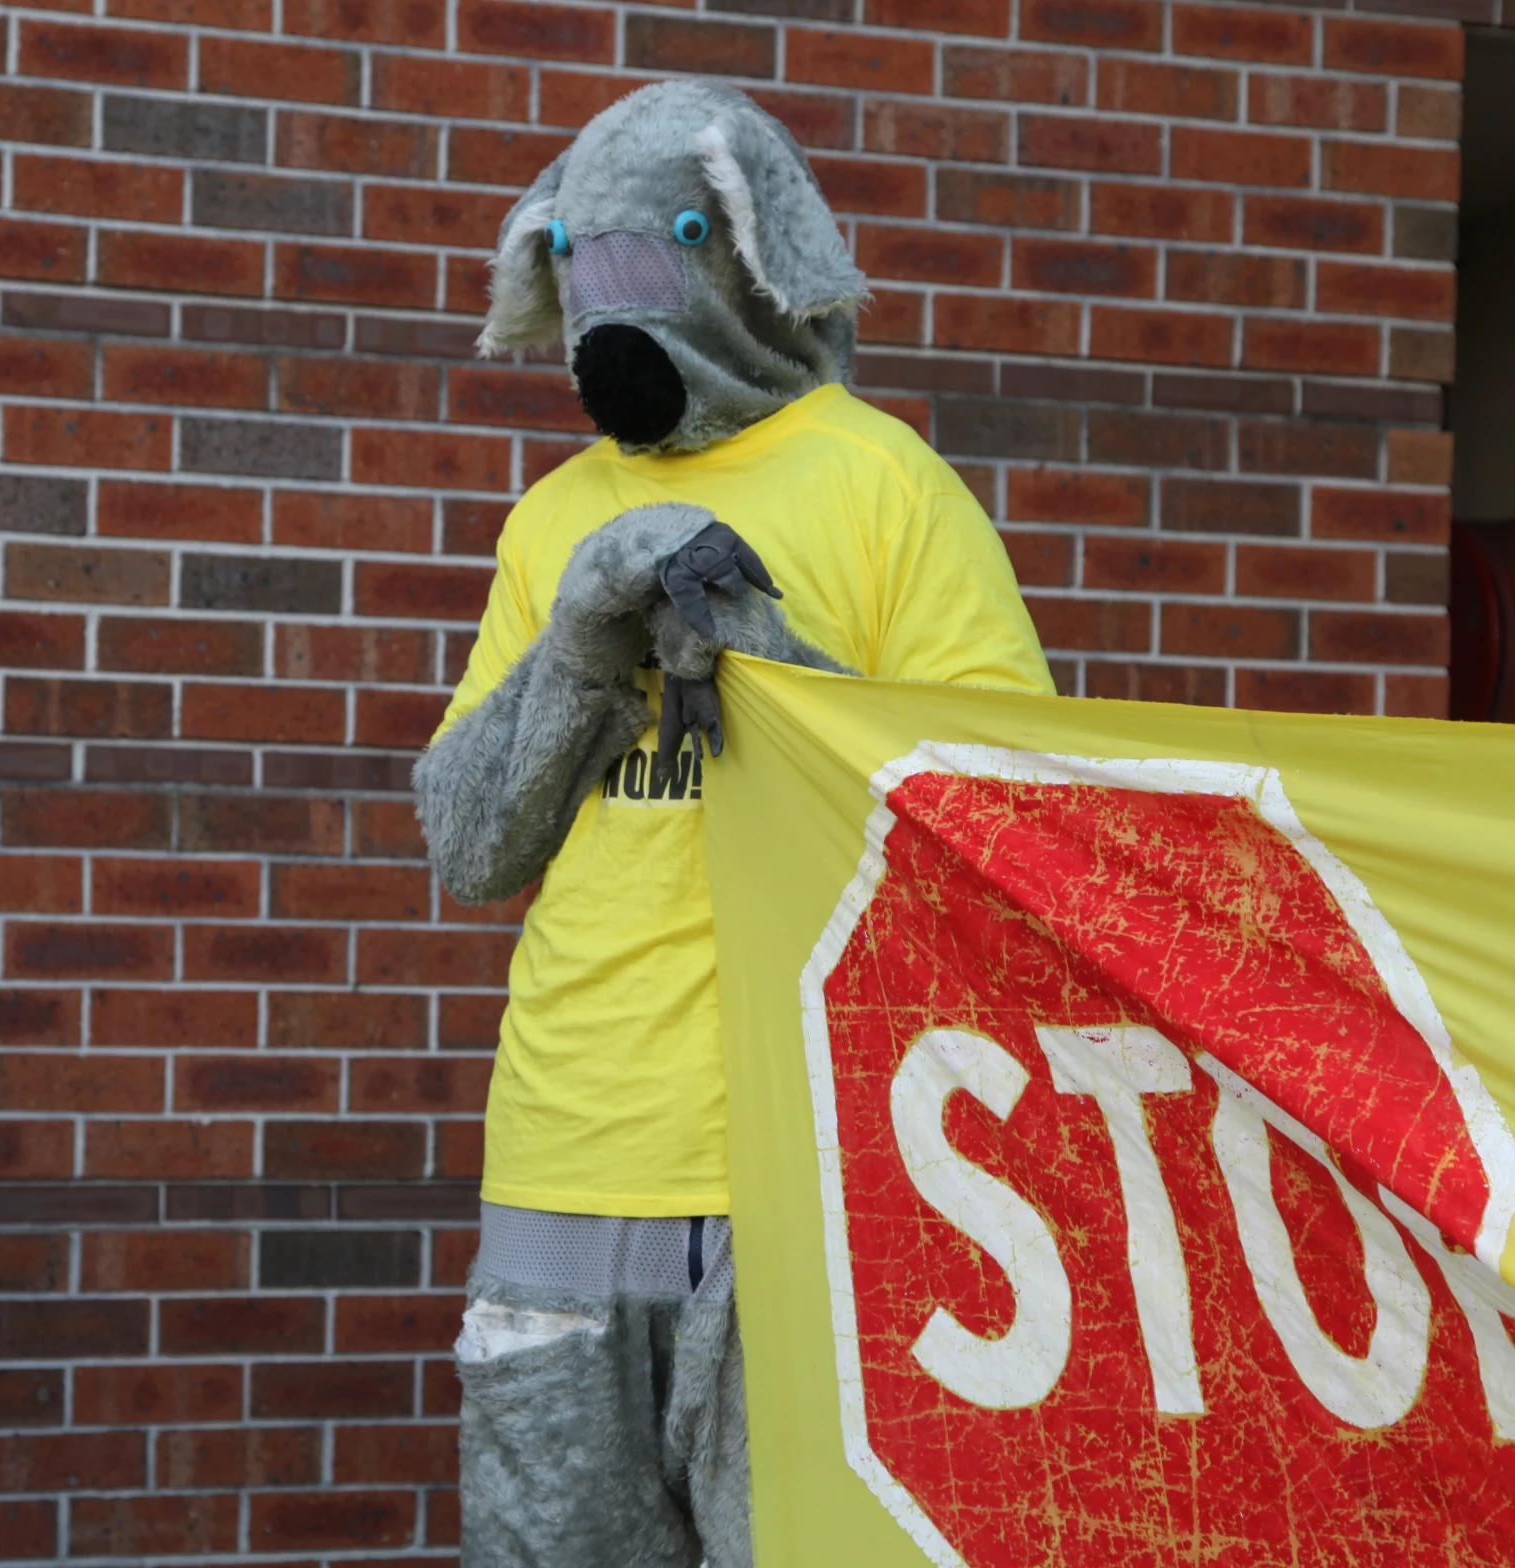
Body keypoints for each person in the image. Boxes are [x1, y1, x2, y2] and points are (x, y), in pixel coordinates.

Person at [413, 82, 1054, 1568]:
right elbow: (467, 848)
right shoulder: (549, 517)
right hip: (566, 1157)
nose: (614, 316)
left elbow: (1005, 837)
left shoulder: (884, 482)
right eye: (592, 267)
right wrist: (580, 644)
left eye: (658, 260)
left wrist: (762, 655)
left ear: (746, 253)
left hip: (811, 1163)